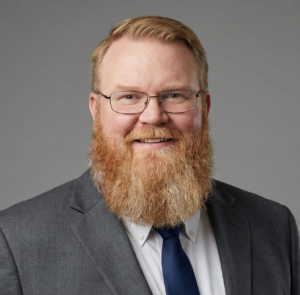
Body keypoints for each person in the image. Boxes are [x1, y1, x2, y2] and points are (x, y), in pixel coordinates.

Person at [0, 16, 299, 295]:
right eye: (129, 97)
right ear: (96, 109)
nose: (153, 117)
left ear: (204, 108)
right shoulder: (17, 241)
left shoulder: (273, 226)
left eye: (175, 95)